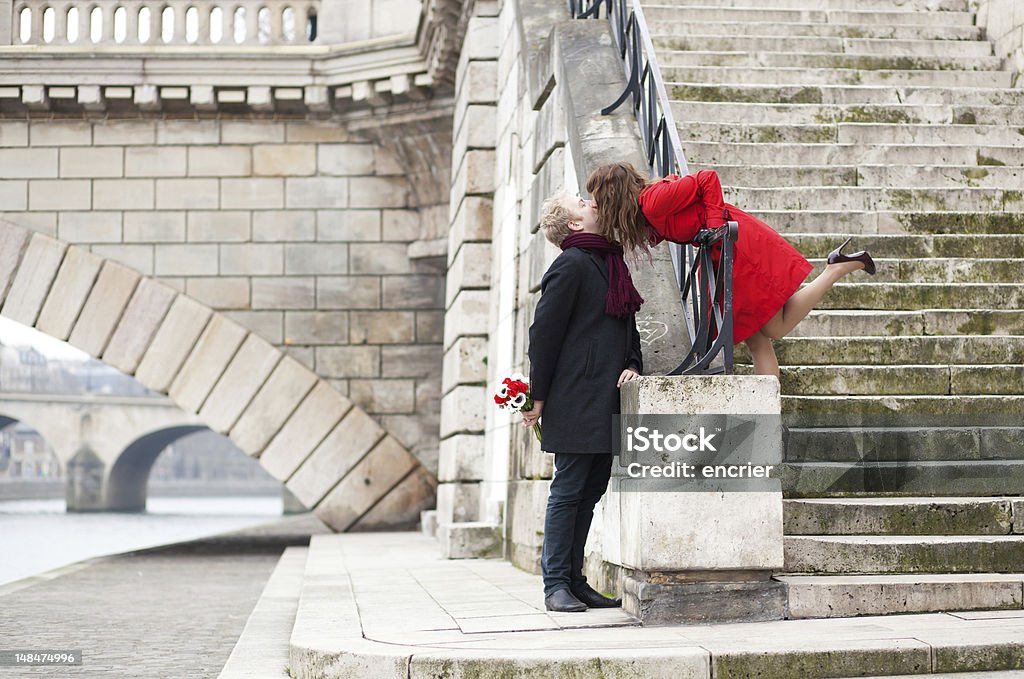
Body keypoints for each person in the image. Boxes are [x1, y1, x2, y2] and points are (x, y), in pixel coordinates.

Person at [585, 162, 875, 377]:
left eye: (598, 200)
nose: (595, 205)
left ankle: (835, 269)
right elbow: (674, 222)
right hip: (722, 253)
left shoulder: (652, 202)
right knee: (757, 338)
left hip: (736, 247)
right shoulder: (647, 208)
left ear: (613, 196)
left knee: (774, 328)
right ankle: (768, 422)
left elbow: (706, 179)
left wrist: (713, 227)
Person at [521, 190, 643, 613]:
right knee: (569, 490)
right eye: (579, 201)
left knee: (590, 491)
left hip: (605, 395)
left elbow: (627, 325)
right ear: (573, 224)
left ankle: (575, 580)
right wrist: (538, 396)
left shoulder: (611, 260)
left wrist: (633, 363)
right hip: (574, 396)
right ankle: (555, 584)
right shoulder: (570, 265)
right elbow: (544, 333)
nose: (590, 201)